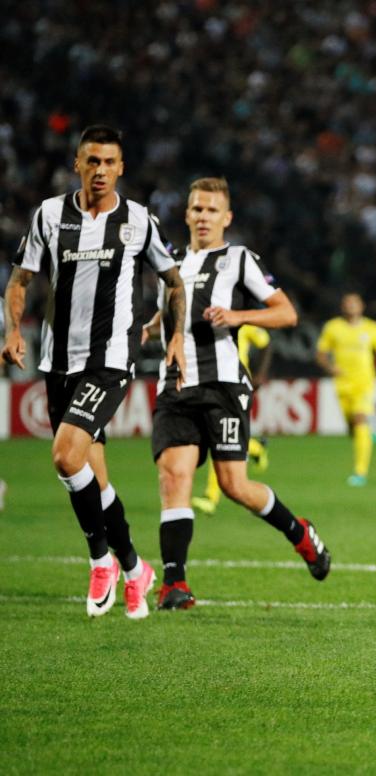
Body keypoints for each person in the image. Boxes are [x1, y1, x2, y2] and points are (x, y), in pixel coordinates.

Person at [2, 124, 187, 619]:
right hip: (59, 359)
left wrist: (174, 336)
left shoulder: (139, 221)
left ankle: (100, 559)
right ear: (77, 165)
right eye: (92, 161)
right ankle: (134, 568)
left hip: (110, 359)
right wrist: (13, 330)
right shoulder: (49, 214)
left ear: (121, 167)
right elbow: (20, 279)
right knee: (94, 478)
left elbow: (173, 282)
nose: (100, 170)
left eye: (109, 162)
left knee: (65, 457)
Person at [149, 177, 330, 611]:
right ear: (187, 214)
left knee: (234, 485)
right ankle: (175, 584)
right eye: (197, 209)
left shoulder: (239, 259)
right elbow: (170, 310)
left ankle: (300, 533)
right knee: (174, 476)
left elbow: (286, 313)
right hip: (176, 384)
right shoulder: (170, 262)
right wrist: (150, 327)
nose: (203, 217)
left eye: (212, 210)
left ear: (226, 218)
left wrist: (235, 316)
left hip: (222, 388)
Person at [188, 323, 272, 515]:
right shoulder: (203, 315)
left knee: (218, 436)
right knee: (220, 434)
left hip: (235, 384)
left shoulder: (241, 317)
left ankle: (211, 497)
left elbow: (266, 343)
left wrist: (260, 374)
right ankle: (256, 448)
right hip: (208, 381)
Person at [317, 292, 376, 486]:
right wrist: (330, 367)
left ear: (361, 306)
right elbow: (321, 354)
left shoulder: (372, 328)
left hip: (365, 382)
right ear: (342, 306)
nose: (351, 306)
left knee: (359, 418)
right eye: (347, 303)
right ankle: (369, 430)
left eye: (354, 303)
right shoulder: (333, 327)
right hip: (342, 384)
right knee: (353, 428)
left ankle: (360, 472)